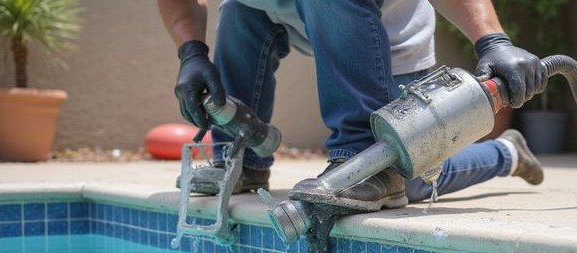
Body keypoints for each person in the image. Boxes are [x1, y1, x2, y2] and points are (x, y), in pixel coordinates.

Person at [158, 0, 546, 210]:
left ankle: (504, 152)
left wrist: (491, 39)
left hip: (390, 38)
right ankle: (239, 158)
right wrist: (190, 52)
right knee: (240, 9)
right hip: (297, 14)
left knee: (408, 175)